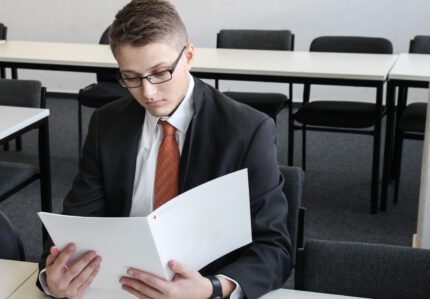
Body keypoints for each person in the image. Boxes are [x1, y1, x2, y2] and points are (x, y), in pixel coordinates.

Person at [37, 0, 291, 298]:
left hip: (202, 285)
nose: (148, 92)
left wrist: (213, 288)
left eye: (160, 73)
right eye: (131, 77)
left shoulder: (246, 130)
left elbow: (274, 247)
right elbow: (78, 224)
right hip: (119, 286)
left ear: (190, 56)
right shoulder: (106, 123)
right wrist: (50, 278)